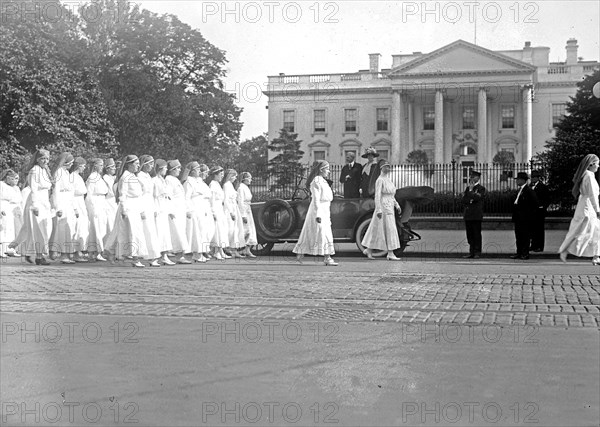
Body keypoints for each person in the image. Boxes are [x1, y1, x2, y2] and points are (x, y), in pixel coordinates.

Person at [104, 155, 148, 267]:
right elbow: (122, 194)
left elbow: (139, 195)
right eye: (136, 163)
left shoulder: (133, 176)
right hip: (128, 208)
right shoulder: (125, 177)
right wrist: (124, 210)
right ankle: (135, 257)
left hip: (135, 207)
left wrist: (141, 210)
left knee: (127, 232)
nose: (138, 166)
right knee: (132, 233)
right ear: (129, 165)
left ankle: (111, 251)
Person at [11, 149, 53, 265]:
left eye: (47, 159)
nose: (45, 161)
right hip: (36, 202)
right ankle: (39, 256)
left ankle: (29, 252)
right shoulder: (34, 171)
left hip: (44, 201)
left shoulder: (45, 171)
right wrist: (34, 205)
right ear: (38, 159)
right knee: (38, 230)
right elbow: (33, 188)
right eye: (43, 158)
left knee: (45, 228)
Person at [293, 160, 338, 266]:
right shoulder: (317, 181)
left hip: (325, 209)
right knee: (321, 232)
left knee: (314, 232)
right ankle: (327, 257)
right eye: (327, 169)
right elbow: (316, 199)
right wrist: (318, 214)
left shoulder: (323, 181)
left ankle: (300, 253)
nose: (329, 171)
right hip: (318, 210)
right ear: (321, 170)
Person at [559, 154, 600, 265]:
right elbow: (592, 195)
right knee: (584, 232)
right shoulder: (589, 176)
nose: (598, 166)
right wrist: (597, 209)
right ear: (591, 164)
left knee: (595, 231)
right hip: (588, 207)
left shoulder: (586, 175)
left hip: (584, 205)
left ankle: (596, 256)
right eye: (597, 164)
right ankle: (565, 250)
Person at [361, 160, 402, 260]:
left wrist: (397, 205)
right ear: (381, 168)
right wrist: (378, 209)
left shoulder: (388, 180)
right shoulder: (380, 180)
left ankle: (369, 249)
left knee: (381, 229)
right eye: (386, 166)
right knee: (385, 229)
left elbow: (392, 195)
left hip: (390, 206)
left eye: (389, 166)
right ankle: (390, 253)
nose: (388, 168)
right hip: (383, 207)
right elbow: (377, 195)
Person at [50, 152, 78, 264]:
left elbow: (71, 192)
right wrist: (58, 207)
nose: (71, 165)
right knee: (62, 229)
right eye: (70, 163)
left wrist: (74, 207)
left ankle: (64, 252)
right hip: (62, 203)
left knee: (68, 229)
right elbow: (56, 191)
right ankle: (63, 254)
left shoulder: (66, 173)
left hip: (68, 203)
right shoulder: (59, 173)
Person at [165, 159, 192, 264]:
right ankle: (179, 255)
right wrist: (170, 210)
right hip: (174, 210)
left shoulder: (175, 180)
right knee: (177, 233)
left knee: (181, 232)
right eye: (178, 168)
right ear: (172, 169)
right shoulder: (169, 179)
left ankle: (180, 255)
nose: (180, 170)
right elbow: (168, 196)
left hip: (180, 210)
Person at [138, 155, 162, 267]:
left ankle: (152, 256)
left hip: (150, 204)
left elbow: (152, 194)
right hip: (143, 204)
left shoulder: (148, 176)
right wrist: (141, 210)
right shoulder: (139, 176)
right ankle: (141, 256)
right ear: (144, 164)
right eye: (149, 164)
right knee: (144, 231)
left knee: (151, 231)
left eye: (152, 164)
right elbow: (139, 195)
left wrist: (154, 208)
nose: (151, 166)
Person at [182, 161, 208, 263]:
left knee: (202, 231)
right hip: (194, 207)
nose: (199, 171)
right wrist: (188, 210)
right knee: (196, 232)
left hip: (200, 207)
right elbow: (186, 197)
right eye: (197, 169)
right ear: (192, 171)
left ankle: (200, 252)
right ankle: (196, 253)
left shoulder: (198, 181)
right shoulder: (188, 182)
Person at [85, 158, 111, 261]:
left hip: (101, 202)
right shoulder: (92, 177)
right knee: (96, 228)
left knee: (101, 228)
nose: (102, 167)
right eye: (100, 165)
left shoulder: (99, 177)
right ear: (95, 166)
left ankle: (98, 251)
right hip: (95, 203)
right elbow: (89, 194)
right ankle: (95, 251)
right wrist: (92, 208)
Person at [151, 159, 176, 265]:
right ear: (160, 169)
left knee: (165, 233)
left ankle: (164, 255)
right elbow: (152, 196)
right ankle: (155, 257)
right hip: (158, 207)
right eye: (165, 168)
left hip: (164, 207)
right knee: (158, 232)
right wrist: (154, 209)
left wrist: (170, 210)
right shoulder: (154, 180)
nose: (166, 170)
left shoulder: (162, 180)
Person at [511, 172, 539, 260]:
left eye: (518, 179)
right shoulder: (520, 190)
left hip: (525, 218)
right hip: (518, 218)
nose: (517, 181)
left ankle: (525, 253)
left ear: (523, 180)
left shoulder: (528, 190)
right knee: (518, 236)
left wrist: (528, 215)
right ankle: (519, 252)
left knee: (525, 236)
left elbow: (535, 203)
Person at [462, 170, 486, 258]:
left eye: (473, 177)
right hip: (468, 214)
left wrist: (471, 193)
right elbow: (464, 200)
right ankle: (471, 251)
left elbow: (478, 199)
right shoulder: (467, 188)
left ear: (478, 178)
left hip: (476, 215)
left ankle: (477, 252)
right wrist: (471, 198)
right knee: (470, 235)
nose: (471, 178)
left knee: (476, 234)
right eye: (471, 177)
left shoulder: (481, 188)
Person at [222, 169, 246, 258]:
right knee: (230, 230)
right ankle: (227, 248)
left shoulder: (230, 185)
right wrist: (231, 212)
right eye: (234, 176)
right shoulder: (226, 185)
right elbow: (226, 200)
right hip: (229, 210)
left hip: (234, 208)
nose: (235, 178)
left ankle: (234, 249)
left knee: (235, 230)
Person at [70, 157, 89, 261]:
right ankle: (75, 251)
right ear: (78, 166)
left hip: (81, 202)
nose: (84, 168)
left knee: (82, 227)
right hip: (76, 202)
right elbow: (71, 193)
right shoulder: (72, 177)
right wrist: (74, 208)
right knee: (77, 228)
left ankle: (79, 250)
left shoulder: (78, 177)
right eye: (83, 166)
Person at [0, 169, 23, 257]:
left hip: (10, 209)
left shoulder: (15, 188)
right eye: (14, 178)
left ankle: (9, 248)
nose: (16, 181)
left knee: (11, 229)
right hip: (3, 206)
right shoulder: (1, 184)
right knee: (3, 229)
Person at [208, 166, 229, 260]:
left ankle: (220, 250)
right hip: (216, 208)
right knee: (218, 230)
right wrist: (213, 212)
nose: (222, 176)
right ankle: (216, 251)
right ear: (215, 175)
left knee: (222, 230)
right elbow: (211, 199)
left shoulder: (217, 184)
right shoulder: (212, 184)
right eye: (220, 174)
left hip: (220, 208)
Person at [237, 172, 257, 258]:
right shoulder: (241, 188)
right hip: (244, 209)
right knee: (246, 230)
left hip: (248, 209)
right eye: (249, 178)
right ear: (244, 179)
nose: (250, 180)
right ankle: (241, 248)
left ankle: (247, 249)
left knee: (250, 230)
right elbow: (240, 202)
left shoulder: (246, 187)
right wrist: (243, 215)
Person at [529, 170, 550, 252]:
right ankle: (533, 245)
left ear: (538, 178)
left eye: (534, 177)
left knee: (539, 230)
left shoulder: (543, 187)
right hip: (532, 212)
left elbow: (547, 199)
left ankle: (540, 246)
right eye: (532, 177)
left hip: (539, 212)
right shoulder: (530, 186)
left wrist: (543, 206)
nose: (532, 179)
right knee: (532, 230)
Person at [102, 158, 118, 234]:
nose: (115, 169)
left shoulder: (113, 178)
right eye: (113, 167)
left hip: (114, 202)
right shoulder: (105, 178)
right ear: (108, 169)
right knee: (110, 222)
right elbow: (109, 191)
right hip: (108, 202)